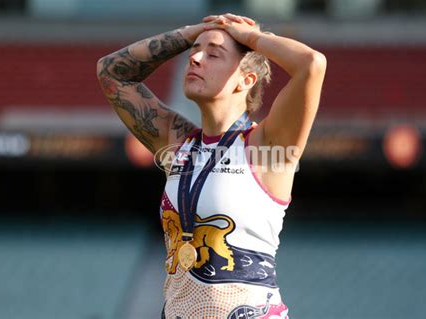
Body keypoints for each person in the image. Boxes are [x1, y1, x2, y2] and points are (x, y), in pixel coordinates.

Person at [97, 13, 326, 318]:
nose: (196, 58)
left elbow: (312, 64)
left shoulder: (267, 145)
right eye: (194, 51)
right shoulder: (179, 144)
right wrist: (195, 32)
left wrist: (251, 38)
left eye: (213, 54)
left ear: (246, 80)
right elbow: (112, 73)